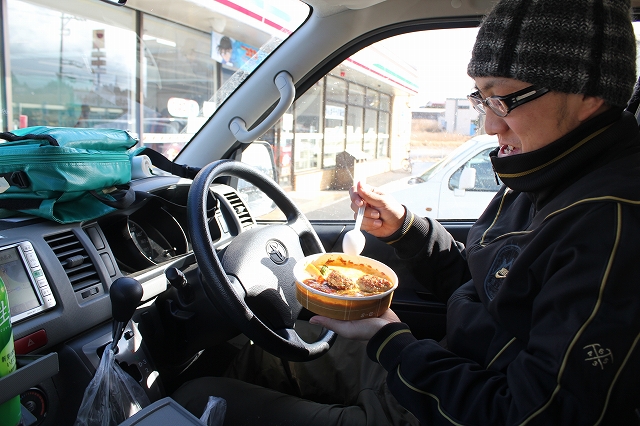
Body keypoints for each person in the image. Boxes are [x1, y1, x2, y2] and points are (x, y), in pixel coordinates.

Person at [173, 0, 640, 424]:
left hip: (448, 405)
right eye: (480, 98)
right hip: (441, 366)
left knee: (198, 401)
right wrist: (408, 229)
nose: (489, 123)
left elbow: (533, 416)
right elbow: (483, 283)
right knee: (254, 350)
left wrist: (392, 341)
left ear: (588, 95)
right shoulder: (545, 169)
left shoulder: (610, 227)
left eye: (503, 99)